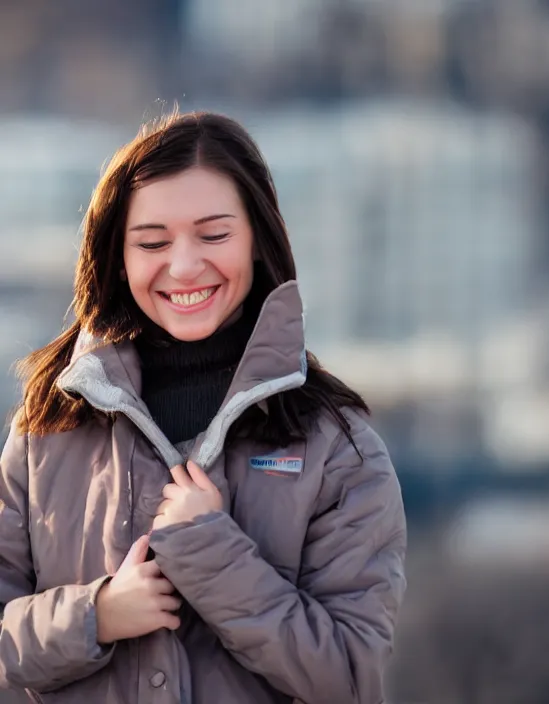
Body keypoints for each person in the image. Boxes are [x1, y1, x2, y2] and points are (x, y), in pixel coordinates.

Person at [0, 112, 407, 703]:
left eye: (214, 236)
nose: (184, 265)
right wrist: (98, 615)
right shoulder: (48, 426)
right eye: (153, 242)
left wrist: (214, 555)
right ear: (118, 256)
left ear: (259, 241)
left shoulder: (336, 446)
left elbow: (350, 678)